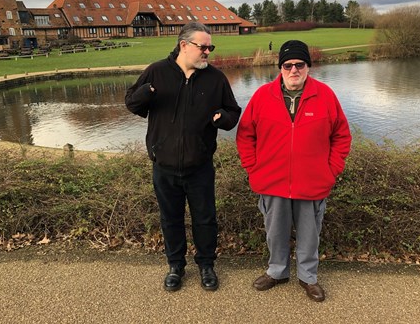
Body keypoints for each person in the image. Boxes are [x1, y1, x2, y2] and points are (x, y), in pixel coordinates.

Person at [125, 22, 241, 292]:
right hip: (164, 166)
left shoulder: (215, 78)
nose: (208, 52)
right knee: (170, 218)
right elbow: (131, 103)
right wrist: (147, 93)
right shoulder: (156, 72)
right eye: (204, 47)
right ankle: (175, 266)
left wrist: (223, 118)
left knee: (205, 218)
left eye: (210, 47)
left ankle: (206, 265)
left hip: (199, 166)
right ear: (184, 45)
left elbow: (233, 112)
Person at [236, 40, 351, 302]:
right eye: (288, 65)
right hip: (271, 181)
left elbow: (342, 136)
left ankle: (308, 277)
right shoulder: (263, 96)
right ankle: (277, 271)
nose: (294, 70)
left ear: (308, 67)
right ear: (280, 68)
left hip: (312, 182)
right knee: (274, 231)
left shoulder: (325, 96)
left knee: (310, 234)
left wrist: (331, 170)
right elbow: (245, 136)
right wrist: (253, 169)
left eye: (300, 64)